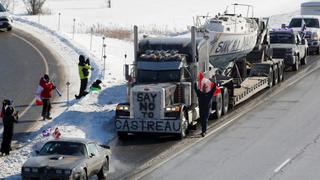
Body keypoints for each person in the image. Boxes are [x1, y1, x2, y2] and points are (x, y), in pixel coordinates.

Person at [194, 71, 220, 137]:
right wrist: (195, 81)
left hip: (207, 109)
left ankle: (204, 132)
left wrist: (215, 81)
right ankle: (203, 131)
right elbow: (195, 89)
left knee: (205, 119)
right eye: (203, 88)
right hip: (201, 108)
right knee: (202, 120)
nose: (204, 89)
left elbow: (214, 88)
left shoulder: (209, 94)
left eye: (205, 88)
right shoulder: (200, 94)